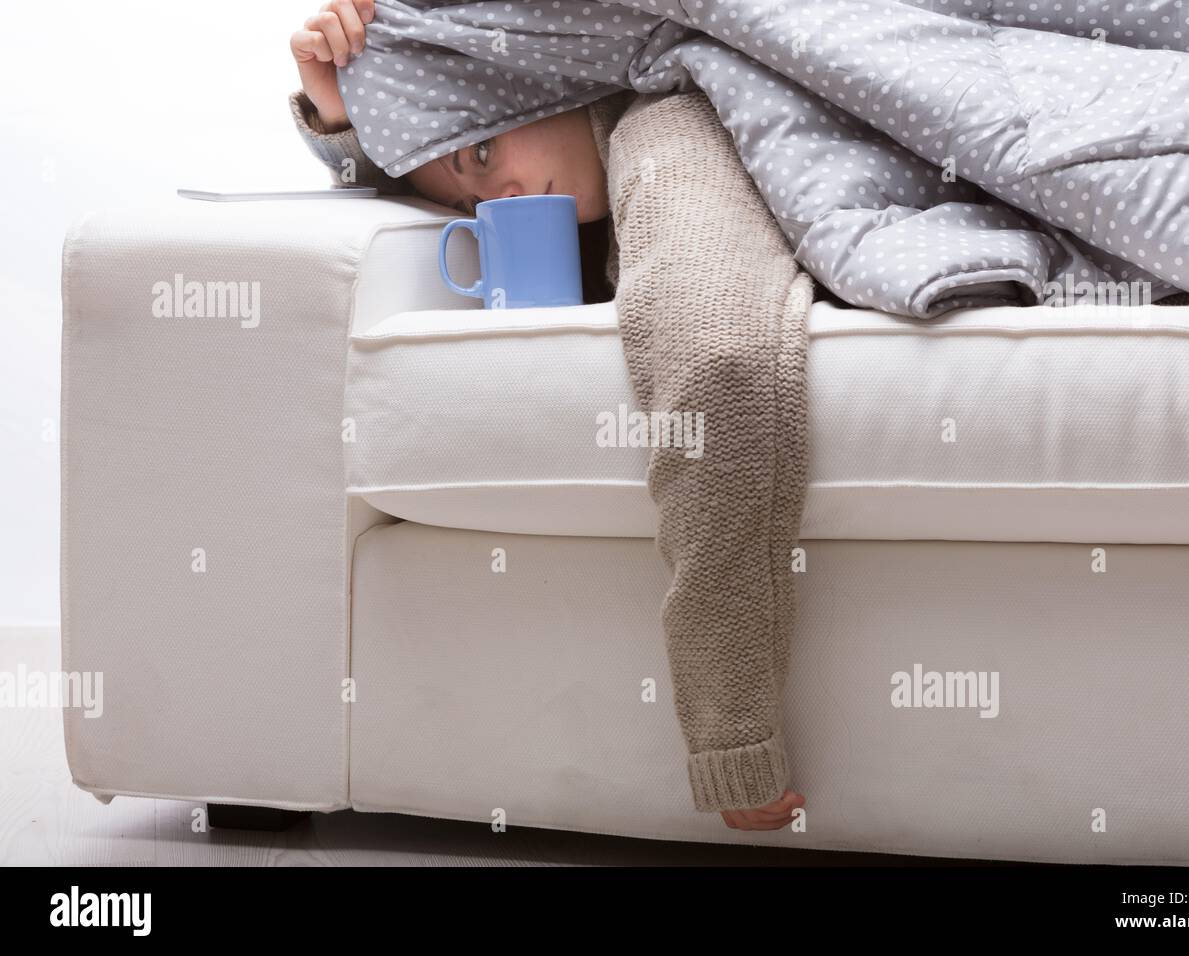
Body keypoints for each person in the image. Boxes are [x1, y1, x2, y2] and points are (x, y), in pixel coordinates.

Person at [290, 0, 807, 832]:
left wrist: (731, 736)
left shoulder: (663, 131)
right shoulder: (618, 165)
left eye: (484, 149)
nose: (509, 197)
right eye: (473, 201)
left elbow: (719, 364)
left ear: (514, 72)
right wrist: (339, 112)